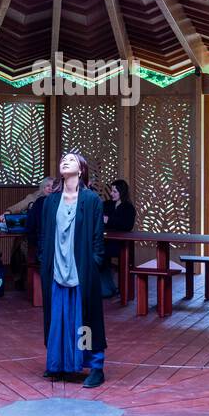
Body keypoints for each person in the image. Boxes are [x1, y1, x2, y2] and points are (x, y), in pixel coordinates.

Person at [38, 151, 107, 388]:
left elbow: (98, 237)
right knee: (58, 317)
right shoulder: (51, 201)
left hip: (82, 269)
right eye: (62, 159)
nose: (64, 161)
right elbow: (45, 235)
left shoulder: (91, 200)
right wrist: (43, 259)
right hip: (56, 268)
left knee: (85, 318)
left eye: (71, 159)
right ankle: (60, 364)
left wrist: (94, 261)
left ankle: (95, 367)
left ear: (81, 169)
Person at [100, 179, 135, 299]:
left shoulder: (128, 208)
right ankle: (106, 289)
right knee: (98, 255)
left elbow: (127, 225)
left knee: (103, 254)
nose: (111, 194)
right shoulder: (107, 204)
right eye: (112, 191)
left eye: (115, 191)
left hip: (121, 244)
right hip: (106, 241)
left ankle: (117, 290)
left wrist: (108, 221)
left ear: (122, 192)